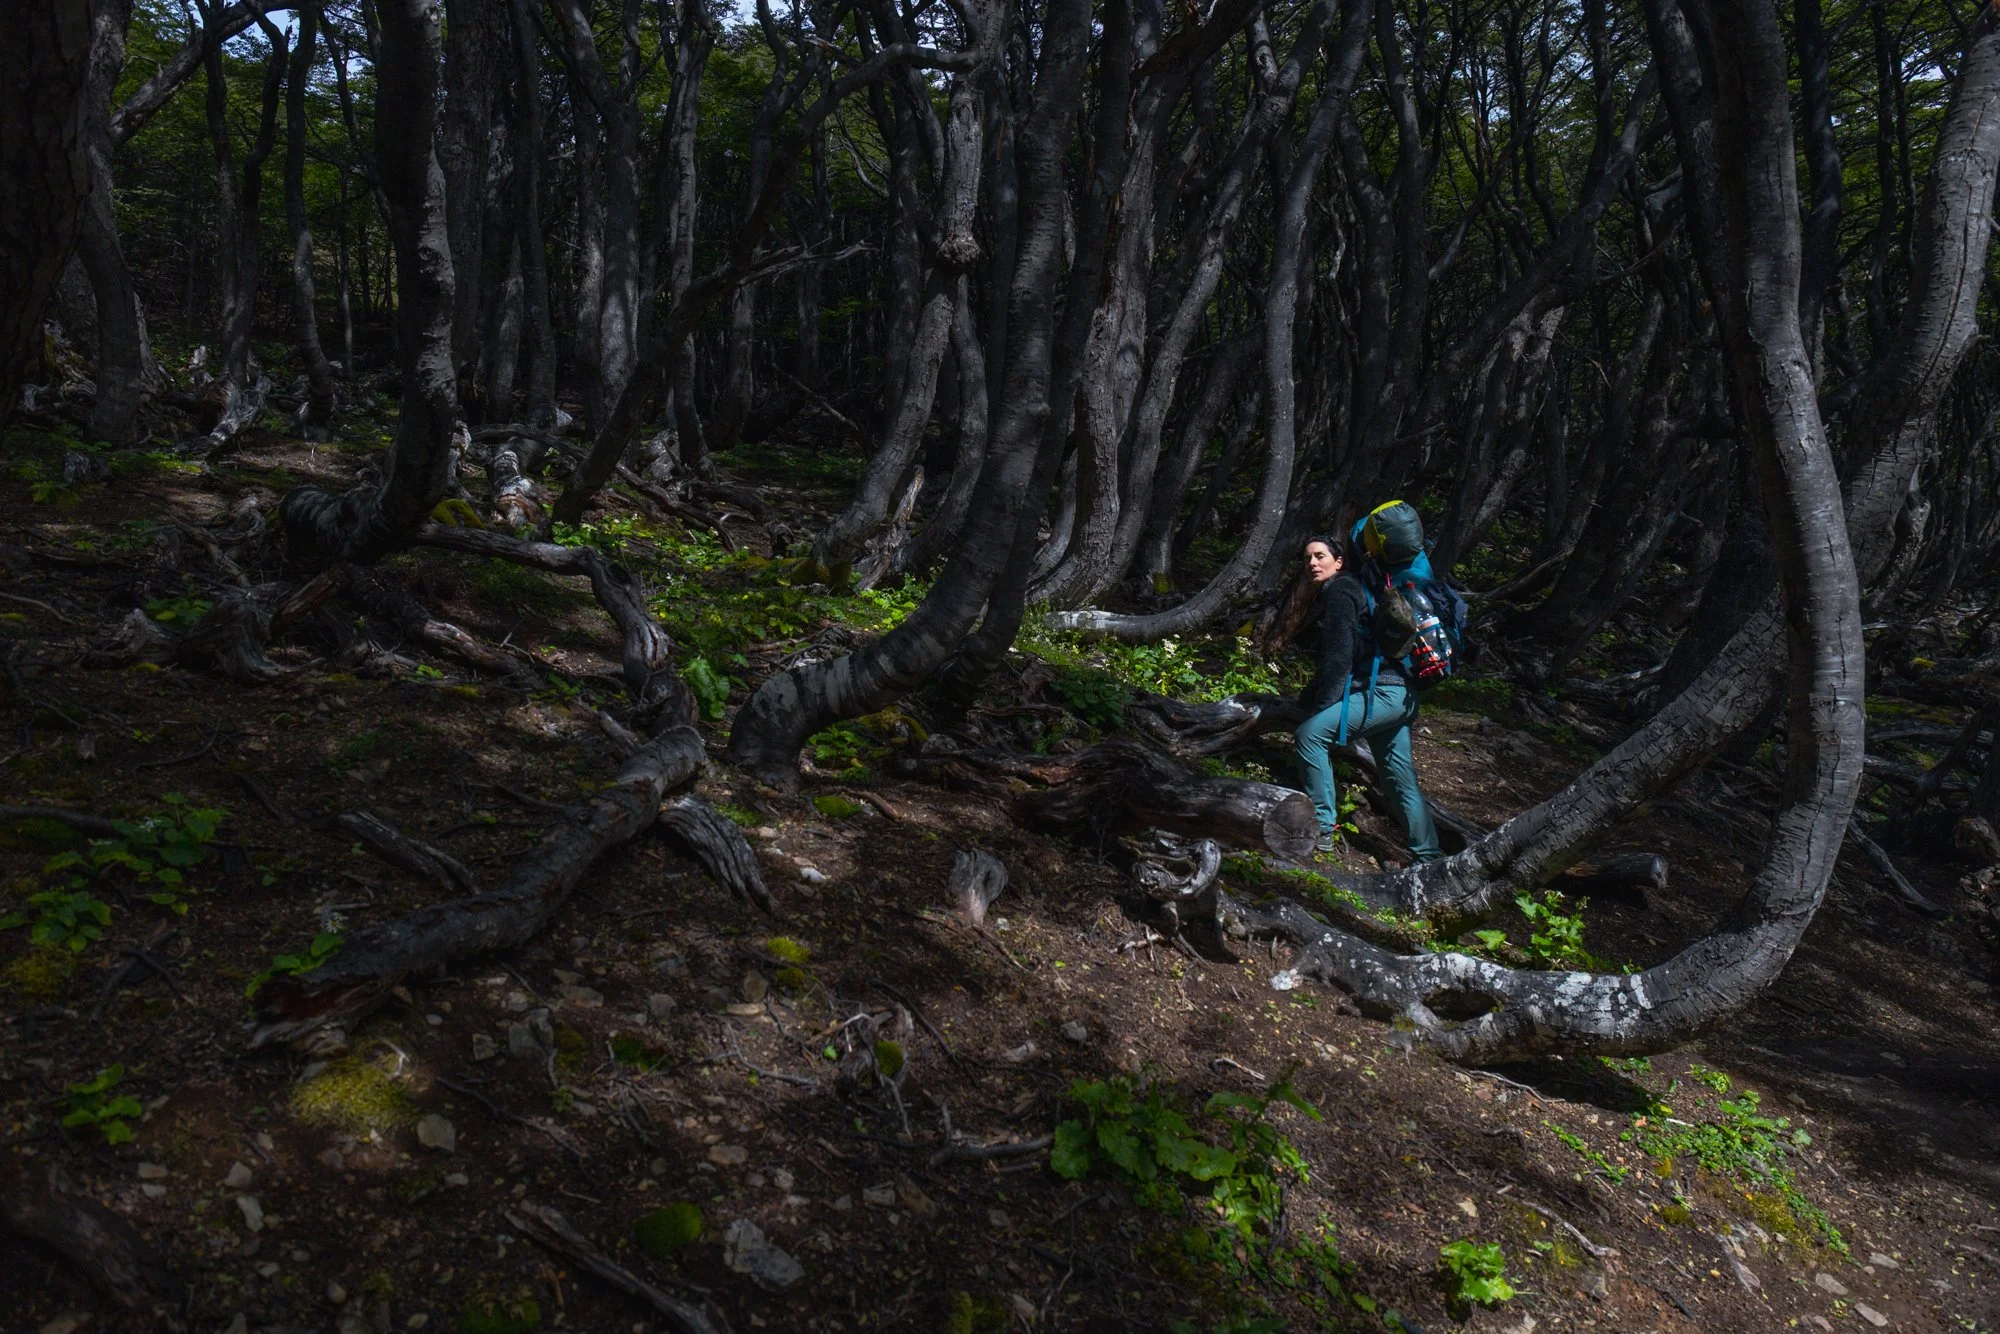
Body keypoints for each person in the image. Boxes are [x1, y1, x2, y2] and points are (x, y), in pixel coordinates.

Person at [1291, 526, 1444, 863]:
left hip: (1383, 694)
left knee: (1309, 737)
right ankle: (1428, 856)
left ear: (1340, 561)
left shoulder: (1342, 590)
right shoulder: (1363, 587)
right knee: (1398, 780)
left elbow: (1338, 658)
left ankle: (1322, 833)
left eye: (1320, 557)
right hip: (1401, 697)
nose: (1312, 564)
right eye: (1307, 559)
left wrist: (1316, 709)